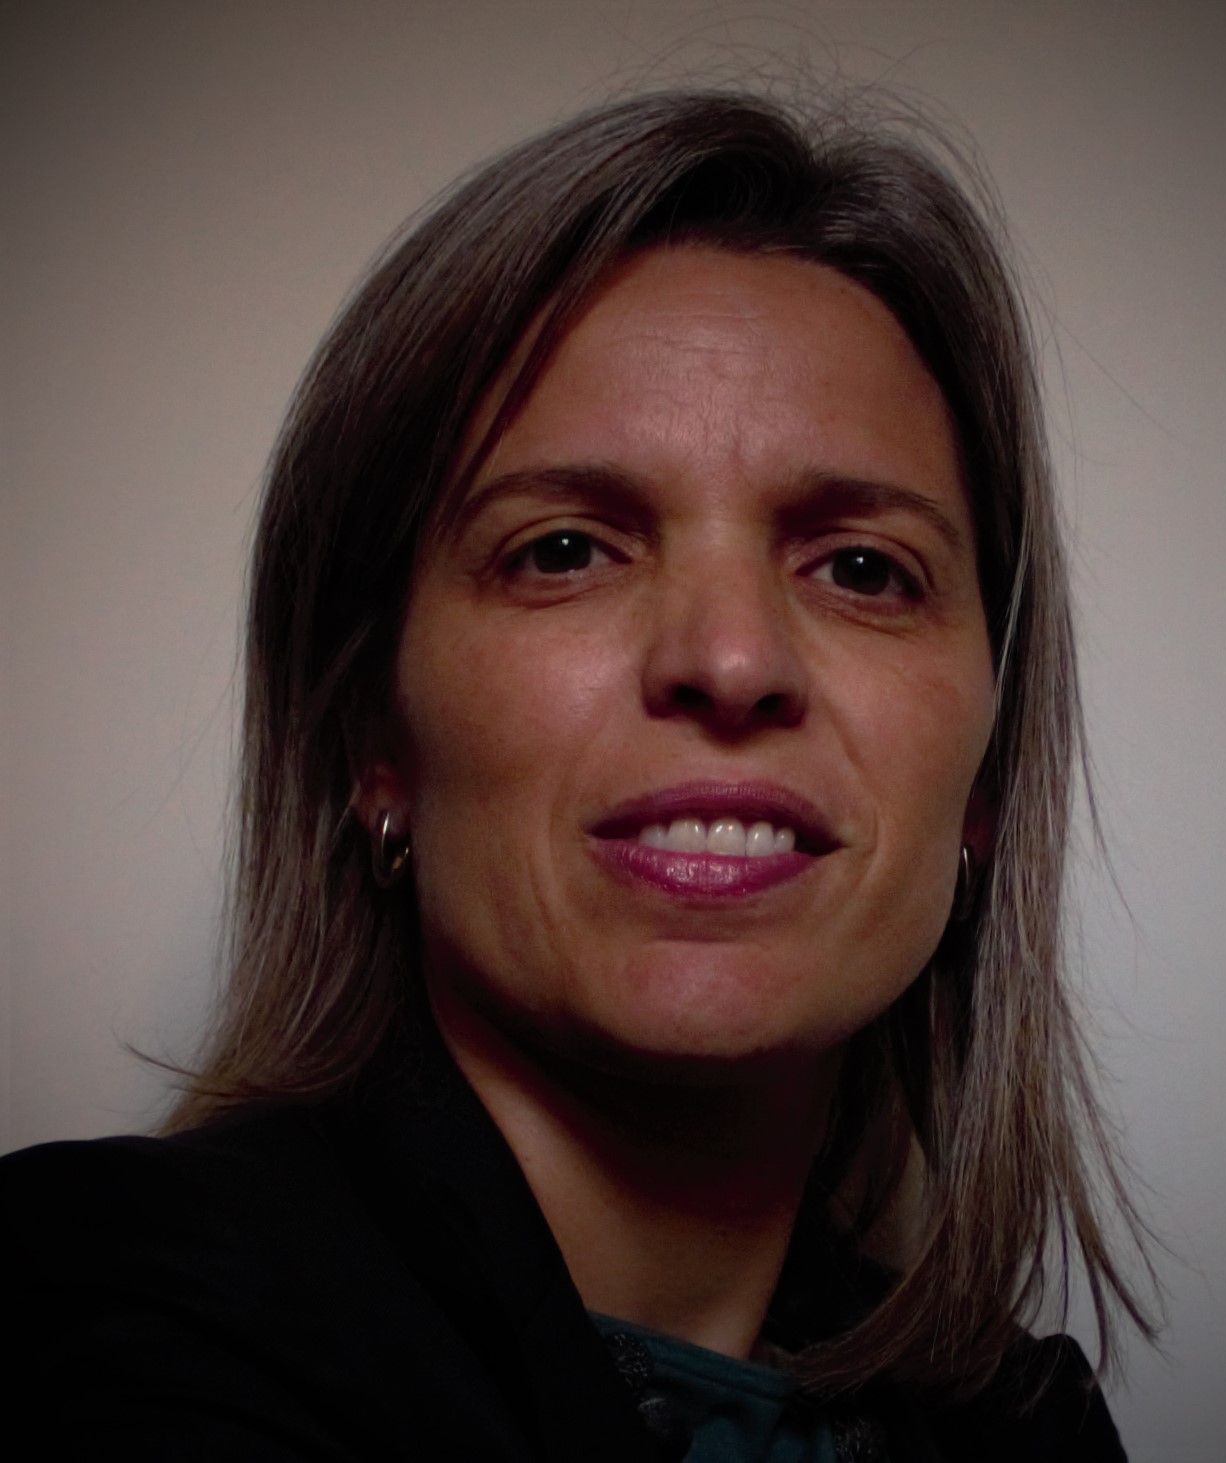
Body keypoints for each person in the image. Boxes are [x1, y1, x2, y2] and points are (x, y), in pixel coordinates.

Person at [3, 88, 1157, 1460]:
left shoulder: (1028, 1429)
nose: (732, 659)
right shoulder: (97, 1322)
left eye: (863, 568)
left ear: (981, 787)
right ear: (373, 743)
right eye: (563, 551)